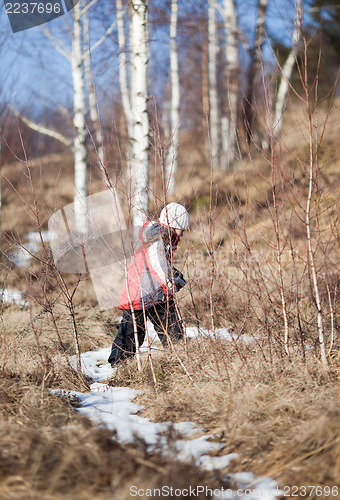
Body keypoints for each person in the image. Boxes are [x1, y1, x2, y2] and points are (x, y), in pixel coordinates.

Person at [108, 202, 190, 367]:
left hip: (148, 290)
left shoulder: (162, 236)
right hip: (144, 290)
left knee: (157, 325)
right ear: (175, 224)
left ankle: (179, 355)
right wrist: (168, 282)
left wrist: (175, 277)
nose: (182, 235)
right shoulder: (160, 236)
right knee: (135, 329)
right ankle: (119, 363)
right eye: (182, 229)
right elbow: (155, 260)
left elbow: (160, 263)